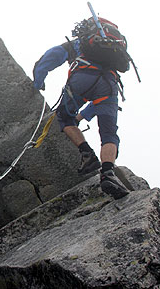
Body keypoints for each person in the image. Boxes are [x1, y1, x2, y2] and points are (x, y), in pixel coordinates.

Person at [33, 18, 130, 200]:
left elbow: (51, 57)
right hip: (109, 85)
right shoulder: (111, 51)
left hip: (82, 77)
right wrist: (83, 116)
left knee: (64, 117)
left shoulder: (80, 43)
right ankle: (108, 174)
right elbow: (98, 103)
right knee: (109, 134)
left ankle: (87, 154)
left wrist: (38, 82)